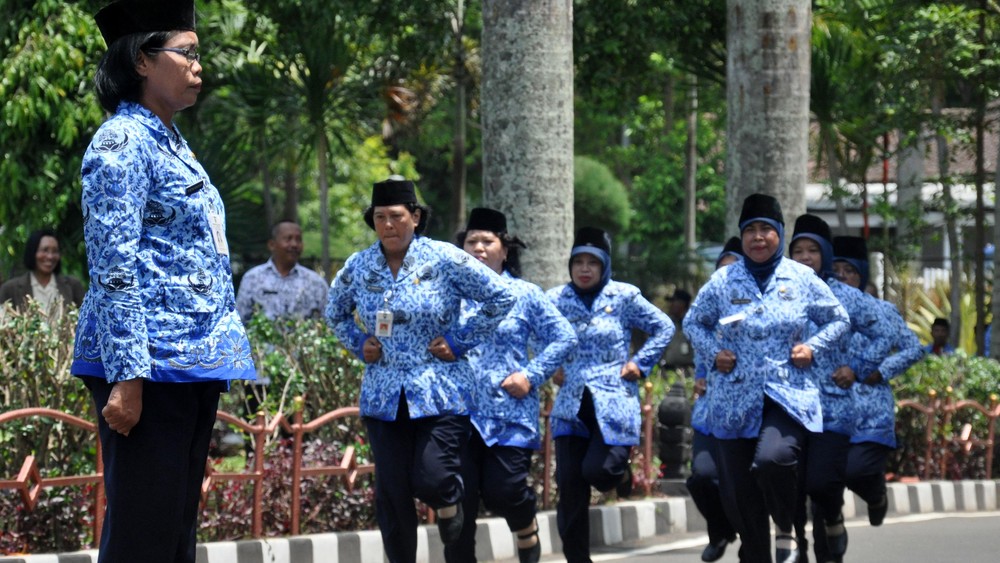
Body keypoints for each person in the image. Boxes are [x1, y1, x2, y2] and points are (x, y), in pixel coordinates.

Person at [70, 2, 257, 562]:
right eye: (188, 52)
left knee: (174, 535)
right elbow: (113, 266)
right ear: (143, 60)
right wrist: (129, 376)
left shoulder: (170, 142)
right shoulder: (122, 143)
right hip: (148, 367)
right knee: (142, 537)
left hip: (187, 364)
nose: (200, 65)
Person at [325, 179, 515, 562]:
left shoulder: (445, 258)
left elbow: (501, 295)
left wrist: (460, 340)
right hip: (383, 394)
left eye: (396, 216)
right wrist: (360, 342)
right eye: (380, 218)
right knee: (392, 493)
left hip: (440, 389)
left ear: (414, 217)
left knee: (432, 476)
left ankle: (448, 501)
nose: (388, 225)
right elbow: (334, 312)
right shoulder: (359, 266)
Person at [683, 194, 850, 563]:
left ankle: (787, 525)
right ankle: (757, 551)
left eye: (766, 230)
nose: (758, 238)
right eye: (750, 231)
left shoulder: (801, 277)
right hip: (733, 400)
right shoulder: (723, 280)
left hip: (787, 392)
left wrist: (812, 347)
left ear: (779, 233)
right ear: (742, 236)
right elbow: (693, 322)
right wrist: (715, 353)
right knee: (741, 501)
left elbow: (839, 320)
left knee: (774, 459)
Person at [444, 208, 577, 563]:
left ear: (505, 249)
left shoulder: (526, 294)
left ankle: (525, 527)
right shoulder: (447, 294)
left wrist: (530, 375)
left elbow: (564, 337)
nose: (479, 248)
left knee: (505, 491)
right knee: (461, 504)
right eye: (471, 241)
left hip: (509, 413)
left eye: (487, 241)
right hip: (458, 415)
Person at [547, 226, 674, 563]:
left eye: (593, 262)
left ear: (604, 266)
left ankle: (622, 473)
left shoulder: (623, 296)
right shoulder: (554, 299)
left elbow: (664, 327)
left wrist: (640, 364)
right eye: (579, 262)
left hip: (612, 401)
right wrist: (549, 366)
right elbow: (530, 331)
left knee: (598, 473)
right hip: (571, 406)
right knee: (570, 485)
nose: (585, 269)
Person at [788, 216, 893, 563]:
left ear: (827, 255)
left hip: (833, 409)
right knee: (793, 490)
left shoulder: (847, 295)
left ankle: (832, 529)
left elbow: (886, 334)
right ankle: (800, 552)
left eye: (813, 250)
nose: (805, 257)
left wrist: (857, 368)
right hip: (788, 406)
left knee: (821, 486)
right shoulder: (780, 290)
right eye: (798, 250)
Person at [832, 236, 924, 531]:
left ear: (862, 274)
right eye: (837, 270)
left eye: (850, 270)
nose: (843, 277)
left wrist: (881, 370)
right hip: (829, 408)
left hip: (870, 411)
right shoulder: (820, 309)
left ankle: (876, 497)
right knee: (824, 478)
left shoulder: (882, 311)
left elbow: (913, 347)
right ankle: (831, 531)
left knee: (855, 471)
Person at [687, 236, 741, 562]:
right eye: (720, 270)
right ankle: (719, 530)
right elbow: (699, 353)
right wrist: (700, 378)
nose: (726, 277)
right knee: (702, 477)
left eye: (734, 270)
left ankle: (751, 538)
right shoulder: (707, 311)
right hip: (710, 412)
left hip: (751, 413)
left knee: (744, 485)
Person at [236, 220, 329, 323]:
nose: (294, 244)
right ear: (272, 245)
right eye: (288, 239)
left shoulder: (316, 283)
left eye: (298, 240)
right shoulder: (252, 278)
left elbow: (328, 324)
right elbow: (240, 321)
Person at [0, 228, 85, 314]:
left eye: (55, 251)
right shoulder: (10, 289)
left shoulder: (73, 286)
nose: (50, 256)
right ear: (32, 252)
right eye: (45, 250)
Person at [660, 288, 695, 371]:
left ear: (682, 304)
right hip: (668, 370)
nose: (670, 305)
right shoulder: (666, 323)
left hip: (690, 370)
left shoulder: (693, 324)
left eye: (673, 301)